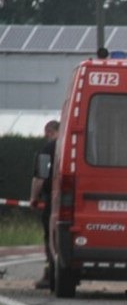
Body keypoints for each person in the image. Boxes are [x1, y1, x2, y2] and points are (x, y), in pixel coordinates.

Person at [30, 120, 59, 289]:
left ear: (50, 131)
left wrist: (34, 198)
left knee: (50, 238)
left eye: (46, 133)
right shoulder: (71, 146)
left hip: (53, 201)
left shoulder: (48, 149)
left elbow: (40, 177)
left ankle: (50, 275)